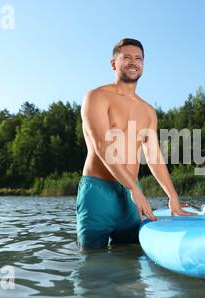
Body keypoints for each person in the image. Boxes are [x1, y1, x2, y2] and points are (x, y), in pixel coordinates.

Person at [76, 38, 195, 250]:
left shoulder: (148, 111)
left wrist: (172, 196)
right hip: (98, 192)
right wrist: (134, 189)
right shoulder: (96, 97)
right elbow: (103, 147)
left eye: (138, 58)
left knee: (131, 262)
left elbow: (154, 157)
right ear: (114, 63)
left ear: (143, 65)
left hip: (132, 195)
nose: (134, 62)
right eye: (127, 57)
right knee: (92, 265)